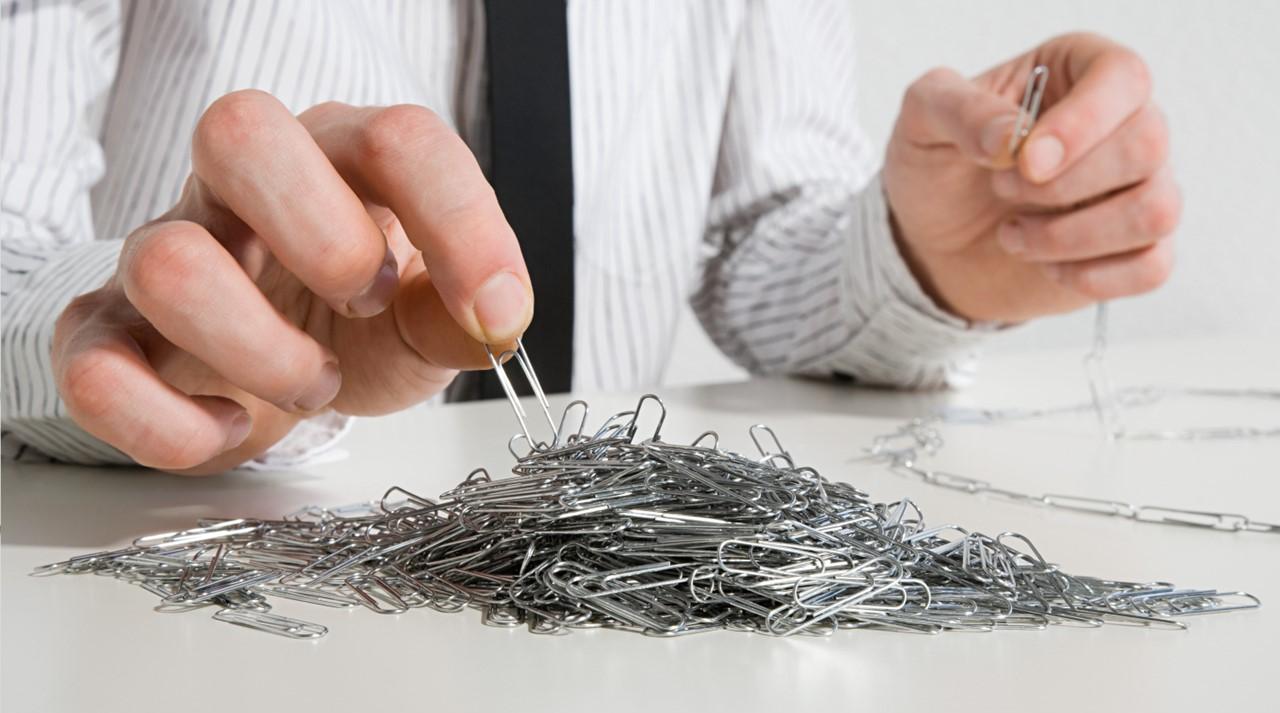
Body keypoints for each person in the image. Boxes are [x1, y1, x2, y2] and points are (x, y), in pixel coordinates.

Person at [0, 1, 1177, 475]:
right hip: (192, 587)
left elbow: (760, 243)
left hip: (628, 631)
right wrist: (137, 329)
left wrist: (917, 258)